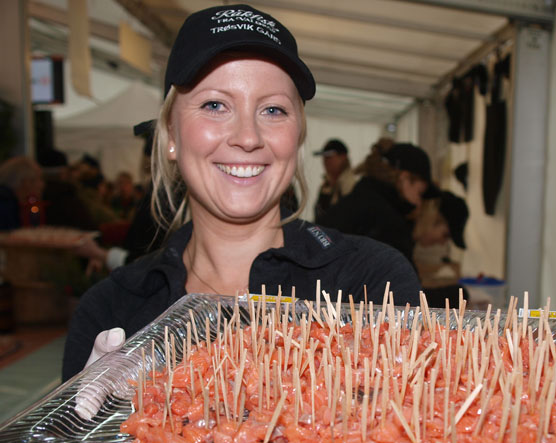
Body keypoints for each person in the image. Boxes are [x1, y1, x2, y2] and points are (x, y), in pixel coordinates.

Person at [62, 4, 421, 382]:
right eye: (215, 105)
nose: (248, 138)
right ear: (170, 133)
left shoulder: (367, 282)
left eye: (273, 110)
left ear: (297, 135)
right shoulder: (112, 310)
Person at [317, 142, 438, 266]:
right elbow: (404, 280)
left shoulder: (361, 198)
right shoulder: (387, 221)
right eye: (419, 193)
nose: (418, 202)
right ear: (404, 178)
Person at [313, 138, 357, 221]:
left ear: (343, 157)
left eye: (329, 157)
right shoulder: (326, 184)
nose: (325, 161)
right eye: (324, 157)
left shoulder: (351, 184)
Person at [0, 156, 45, 230]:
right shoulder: (6, 205)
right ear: (26, 182)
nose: (42, 185)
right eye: (39, 179)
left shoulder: (12, 202)